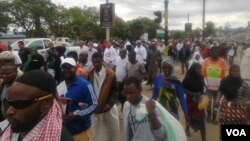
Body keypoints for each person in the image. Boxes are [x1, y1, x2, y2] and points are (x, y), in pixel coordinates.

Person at [0, 70, 74, 141]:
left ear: (46, 103)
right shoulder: (16, 126)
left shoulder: (60, 138)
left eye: (19, 104)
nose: (9, 112)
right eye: (8, 102)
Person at [123, 76, 187, 141]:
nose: (128, 96)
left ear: (140, 90)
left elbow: (160, 134)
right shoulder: (127, 106)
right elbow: (128, 132)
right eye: (126, 93)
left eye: (131, 93)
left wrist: (151, 113)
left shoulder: (151, 105)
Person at [59, 58, 98, 141]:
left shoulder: (85, 85)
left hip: (81, 132)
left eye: (69, 67)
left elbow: (94, 105)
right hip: (64, 134)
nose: (66, 70)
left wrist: (75, 114)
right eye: (64, 67)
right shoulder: (59, 87)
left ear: (76, 68)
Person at [88, 52, 119, 141]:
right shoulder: (90, 74)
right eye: (93, 62)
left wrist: (109, 104)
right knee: (95, 132)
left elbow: (115, 90)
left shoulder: (110, 74)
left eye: (97, 62)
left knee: (112, 130)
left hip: (109, 108)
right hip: (95, 108)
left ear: (102, 61)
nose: (95, 64)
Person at [202, 45, 227, 122]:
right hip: (208, 86)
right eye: (214, 51)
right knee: (208, 102)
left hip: (218, 87)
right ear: (210, 52)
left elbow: (223, 74)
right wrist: (205, 85)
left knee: (216, 103)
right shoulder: (206, 61)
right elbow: (203, 74)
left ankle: (214, 116)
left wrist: (221, 85)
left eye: (218, 51)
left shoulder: (222, 61)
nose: (216, 52)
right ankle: (209, 115)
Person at [182, 63, 206, 141]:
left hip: (199, 100)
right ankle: (187, 128)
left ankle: (204, 139)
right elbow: (182, 89)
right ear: (193, 69)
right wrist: (192, 94)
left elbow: (203, 87)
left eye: (200, 68)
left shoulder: (201, 77)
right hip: (190, 101)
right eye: (197, 69)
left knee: (202, 119)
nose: (200, 70)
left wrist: (203, 95)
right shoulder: (188, 78)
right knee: (188, 116)